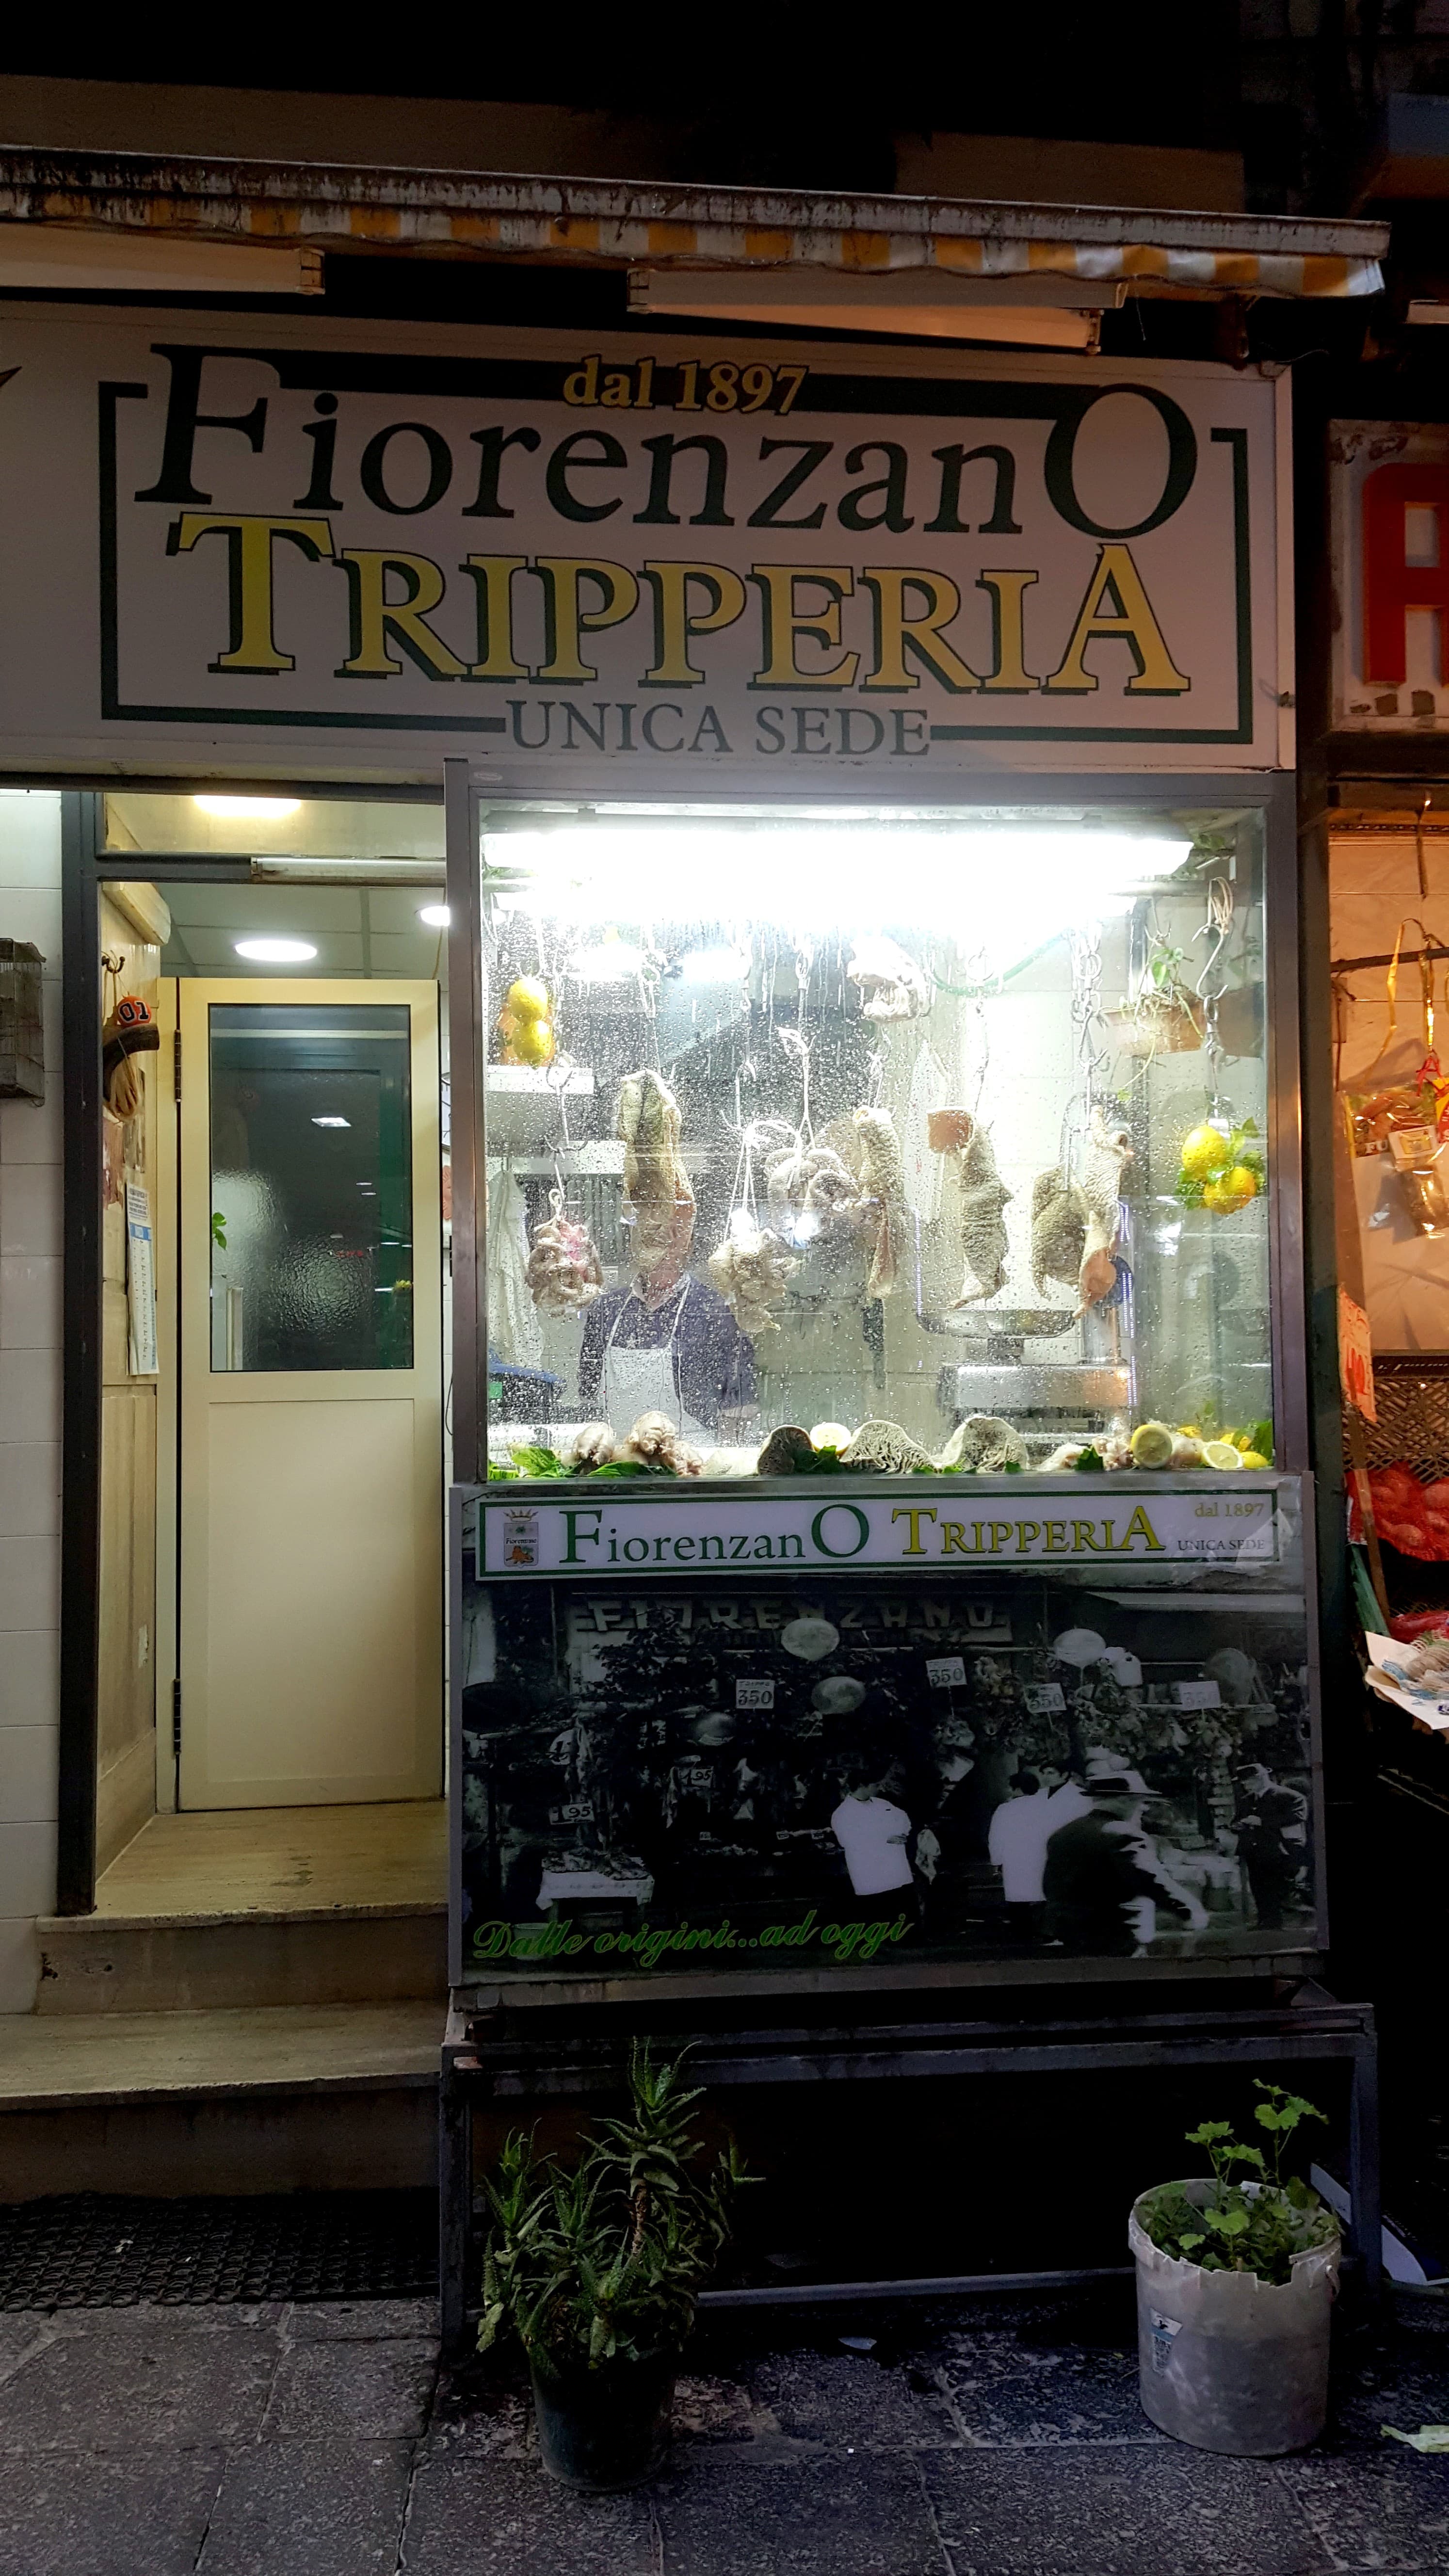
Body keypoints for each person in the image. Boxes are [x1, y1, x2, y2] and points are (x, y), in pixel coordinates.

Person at [578, 1199, 755, 1438]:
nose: (665, 1250)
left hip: (689, 1449)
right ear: (635, 1247)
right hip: (619, 1451)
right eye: (652, 1239)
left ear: (688, 1246)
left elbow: (739, 1403)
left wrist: (725, 1452)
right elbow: (589, 1391)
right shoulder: (606, 1309)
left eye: (674, 1239)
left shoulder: (714, 1309)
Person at [1042, 1776, 1198, 1958]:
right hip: (1117, 1939)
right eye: (1140, 1801)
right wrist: (1188, 1912)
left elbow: (1051, 1886)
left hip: (1069, 1937)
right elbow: (1151, 1881)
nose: (1144, 1808)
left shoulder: (1063, 1834)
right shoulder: (1124, 1833)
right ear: (1124, 1800)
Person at [1232, 1761, 1308, 1930]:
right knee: (1258, 1887)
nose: (1245, 1786)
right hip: (1253, 1851)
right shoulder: (1247, 1800)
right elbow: (1237, 1820)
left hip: (1278, 1850)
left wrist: (1262, 1822)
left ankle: (1279, 1921)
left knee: (1277, 1886)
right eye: (1243, 1783)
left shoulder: (1289, 1796)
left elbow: (1297, 1817)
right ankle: (1265, 1921)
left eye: (1249, 1782)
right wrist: (1238, 1826)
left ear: (1261, 1778)